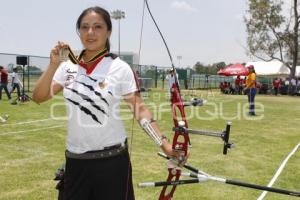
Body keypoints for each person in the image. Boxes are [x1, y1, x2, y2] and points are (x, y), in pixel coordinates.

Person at [32, 6, 182, 200]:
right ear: (79, 32)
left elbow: (140, 110)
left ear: (108, 31)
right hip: (75, 161)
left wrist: (165, 146)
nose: (90, 32)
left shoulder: (120, 68)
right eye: (84, 27)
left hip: (112, 162)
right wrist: (53, 64)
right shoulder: (68, 67)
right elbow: (38, 97)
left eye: (98, 27)